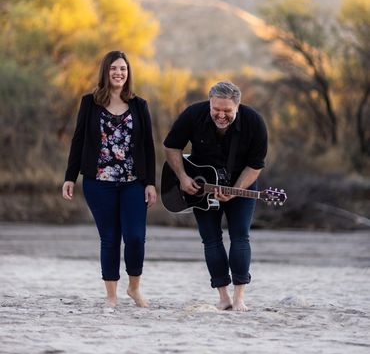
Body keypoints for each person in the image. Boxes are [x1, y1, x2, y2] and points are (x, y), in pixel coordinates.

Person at [62, 50, 156, 308]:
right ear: (106, 71)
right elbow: (78, 139)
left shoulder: (139, 105)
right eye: (114, 68)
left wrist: (150, 183)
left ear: (128, 73)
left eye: (123, 69)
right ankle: (111, 296)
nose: (119, 73)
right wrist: (70, 176)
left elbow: (148, 146)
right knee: (110, 238)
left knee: (135, 237)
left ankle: (134, 288)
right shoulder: (89, 102)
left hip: (133, 182)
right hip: (98, 182)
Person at [163, 81, 267, 312]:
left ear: (237, 107)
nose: (221, 115)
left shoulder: (254, 122)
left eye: (227, 111)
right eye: (216, 109)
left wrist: (235, 190)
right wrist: (182, 177)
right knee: (211, 238)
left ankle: (240, 298)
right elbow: (171, 146)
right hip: (200, 186)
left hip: (242, 184)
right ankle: (223, 297)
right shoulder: (193, 114)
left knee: (240, 236)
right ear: (209, 104)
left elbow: (255, 165)